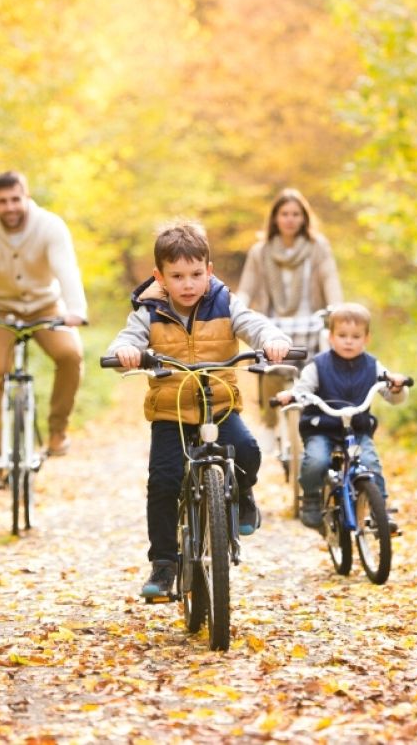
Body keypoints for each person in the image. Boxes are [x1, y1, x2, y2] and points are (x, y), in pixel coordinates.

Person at [105, 221, 291, 601]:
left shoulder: (225, 302)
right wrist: (126, 353)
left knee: (249, 450)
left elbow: (251, 323)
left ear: (209, 271)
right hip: (170, 411)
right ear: (160, 277)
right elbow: (128, 339)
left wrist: (270, 338)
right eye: (177, 276)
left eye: (195, 274)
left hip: (218, 405)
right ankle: (164, 563)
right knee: (163, 481)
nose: (187, 284)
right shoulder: (149, 311)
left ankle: (243, 495)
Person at [0, 171, 87, 490]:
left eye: (15, 199)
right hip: (0, 310)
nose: (10, 207)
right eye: (2, 201)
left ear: (26, 197)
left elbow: (66, 268)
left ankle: (57, 431)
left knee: (70, 355)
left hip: (45, 307)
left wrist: (76, 310)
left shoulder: (50, 225)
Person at [275, 303, 408, 533]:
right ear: (330, 337)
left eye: (356, 336)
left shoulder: (372, 365)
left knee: (371, 463)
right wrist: (292, 395)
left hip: (356, 430)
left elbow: (390, 391)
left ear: (367, 338)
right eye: (342, 335)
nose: (349, 341)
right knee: (316, 460)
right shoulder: (318, 365)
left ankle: (380, 510)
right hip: (322, 427)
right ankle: (311, 498)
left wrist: (396, 386)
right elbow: (303, 388)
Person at [237, 189, 344, 458]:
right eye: (284, 214)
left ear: (304, 218)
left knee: (319, 376)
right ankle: (270, 423)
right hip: (274, 324)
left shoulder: (317, 247)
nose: (290, 219)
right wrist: (236, 308)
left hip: (310, 321)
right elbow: (246, 288)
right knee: (271, 371)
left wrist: (338, 311)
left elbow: (330, 279)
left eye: (296, 214)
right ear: (274, 218)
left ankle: (320, 427)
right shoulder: (260, 252)